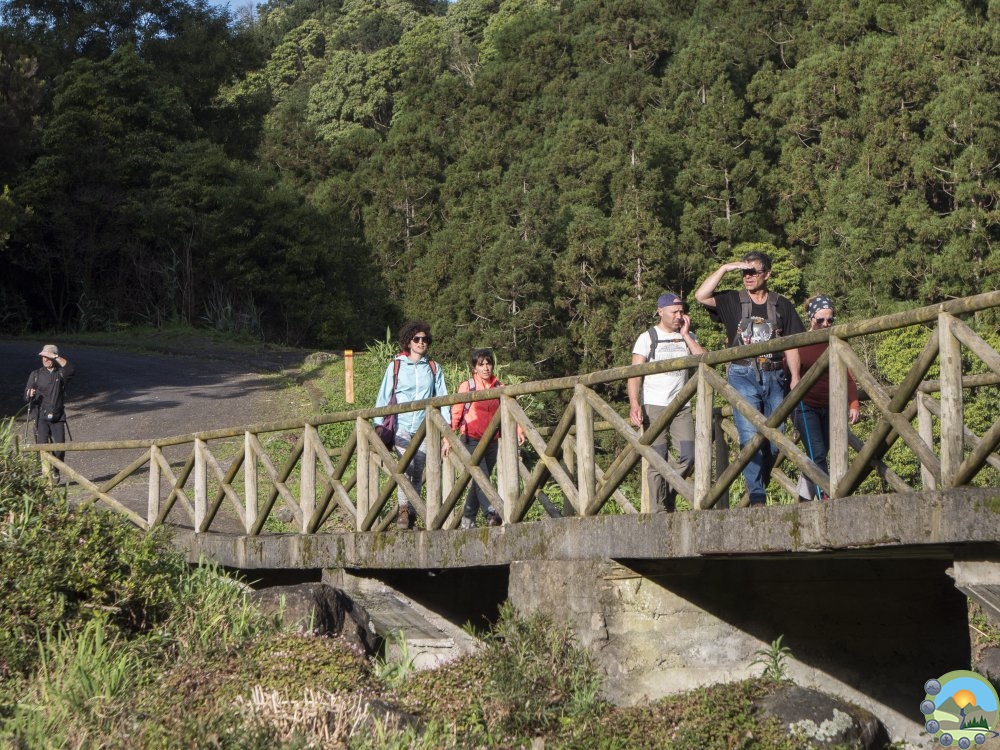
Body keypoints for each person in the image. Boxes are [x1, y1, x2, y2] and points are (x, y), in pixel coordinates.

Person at [694, 250, 805, 506]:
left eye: (753, 272)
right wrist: (725, 268)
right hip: (741, 374)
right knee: (748, 437)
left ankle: (758, 487)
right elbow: (701, 296)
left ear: (767, 274)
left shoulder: (781, 304)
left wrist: (796, 376)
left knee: (777, 438)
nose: (748, 277)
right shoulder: (732, 300)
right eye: (744, 272)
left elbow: (792, 344)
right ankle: (757, 497)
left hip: (775, 374)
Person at [628, 292, 705, 512]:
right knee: (657, 459)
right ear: (660, 312)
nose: (679, 316)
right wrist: (634, 404)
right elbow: (634, 374)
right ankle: (658, 511)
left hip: (682, 406)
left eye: (681, 311)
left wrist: (686, 335)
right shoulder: (647, 337)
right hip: (654, 406)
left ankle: (667, 497)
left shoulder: (688, 335)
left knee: (688, 456)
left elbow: (705, 359)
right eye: (674, 312)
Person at [373, 321, 449, 529]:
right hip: (402, 426)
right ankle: (403, 510)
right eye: (417, 339)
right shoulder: (396, 366)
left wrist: (447, 430)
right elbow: (383, 397)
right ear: (409, 342)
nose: (421, 342)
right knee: (405, 468)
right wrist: (378, 427)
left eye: (424, 339)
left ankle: (412, 513)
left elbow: (443, 398)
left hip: (425, 428)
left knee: (417, 472)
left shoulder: (433, 368)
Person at [789, 295, 861, 502]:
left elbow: (849, 376)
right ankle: (825, 495)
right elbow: (789, 371)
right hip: (805, 405)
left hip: (830, 405)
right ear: (811, 318)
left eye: (830, 320)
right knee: (817, 452)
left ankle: (804, 498)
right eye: (820, 320)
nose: (825, 324)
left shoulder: (836, 341)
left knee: (819, 454)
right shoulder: (800, 341)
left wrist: (854, 403)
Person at [451, 348, 525, 528]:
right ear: (474, 368)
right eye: (481, 364)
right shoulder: (467, 386)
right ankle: (491, 513)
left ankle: (467, 520)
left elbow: (511, 410)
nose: (485, 368)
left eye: (488, 363)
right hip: (470, 439)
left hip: (491, 440)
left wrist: (519, 430)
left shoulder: (499, 386)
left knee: (480, 479)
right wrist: (447, 438)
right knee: (482, 477)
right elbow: (456, 413)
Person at [25, 344, 76, 483]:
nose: (45, 359)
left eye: (48, 357)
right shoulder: (35, 375)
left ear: (53, 357)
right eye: (43, 357)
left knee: (59, 449)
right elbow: (26, 396)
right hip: (40, 417)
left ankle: (56, 471)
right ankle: (46, 480)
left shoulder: (61, 373)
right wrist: (30, 394)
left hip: (58, 417)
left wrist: (56, 356)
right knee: (42, 448)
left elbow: (71, 369)